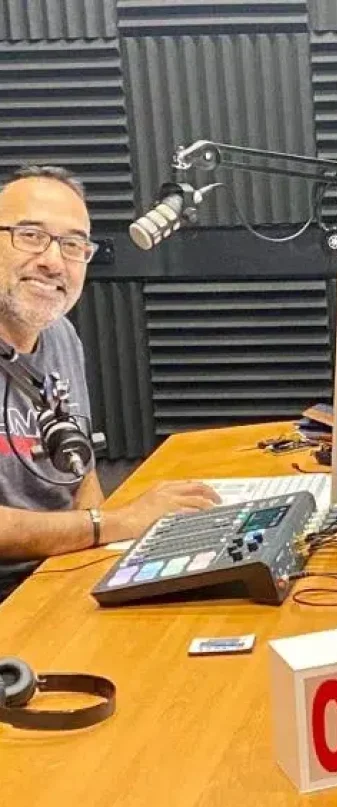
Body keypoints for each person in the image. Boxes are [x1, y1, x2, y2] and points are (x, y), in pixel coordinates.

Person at [0, 164, 218, 598]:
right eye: (30, 235)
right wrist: (114, 524)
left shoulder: (60, 334)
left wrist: (103, 565)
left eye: (72, 245)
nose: (52, 261)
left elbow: (79, 470)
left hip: (58, 573)